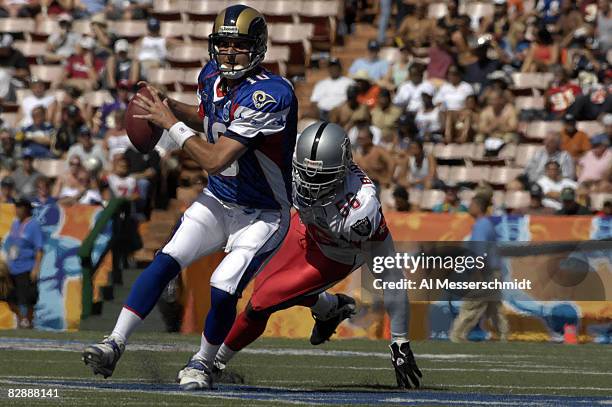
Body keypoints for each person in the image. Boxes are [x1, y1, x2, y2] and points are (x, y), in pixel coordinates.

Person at [82, 5, 298, 391]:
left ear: (259, 48)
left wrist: (171, 124)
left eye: (240, 45)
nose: (230, 53)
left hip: (264, 213)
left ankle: (202, 362)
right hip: (220, 198)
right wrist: (170, 107)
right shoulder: (211, 76)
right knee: (167, 259)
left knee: (224, 284)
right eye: (225, 44)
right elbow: (210, 115)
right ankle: (113, 343)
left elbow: (215, 158)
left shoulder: (272, 94)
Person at [211, 121, 422, 389]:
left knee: (262, 302)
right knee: (258, 277)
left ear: (343, 170)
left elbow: (391, 274)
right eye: (304, 173)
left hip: (335, 252)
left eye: (321, 177)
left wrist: (400, 341)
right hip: (303, 225)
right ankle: (329, 308)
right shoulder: (296, 146)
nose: (309, 184)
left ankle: (212, 364)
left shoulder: (360, 209)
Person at [2, 198, 43, 329]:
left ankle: (27, 321)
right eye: (16, 207)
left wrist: (36, 268)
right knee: (9, 296)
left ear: (26, 209)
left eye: (20, 207)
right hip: (12, 266)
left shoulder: (34, 225)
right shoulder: (15, 223)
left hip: (26, 267)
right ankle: (21, 318)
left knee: (26, 297)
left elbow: (39, 249)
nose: (17, 210)